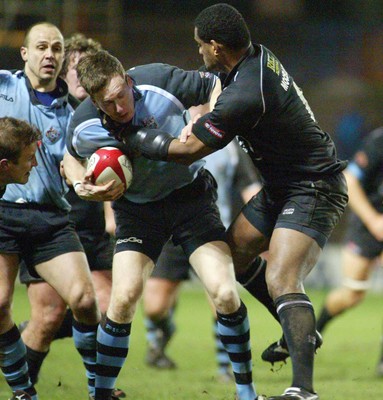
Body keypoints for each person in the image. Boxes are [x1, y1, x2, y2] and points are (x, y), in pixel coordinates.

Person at [119, 4, 349, 400]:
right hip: (281, 185)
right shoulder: (252, 58)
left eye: (200, 47)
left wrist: (135, 137)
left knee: (281, 279)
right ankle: (296, 327)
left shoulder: (246, 93)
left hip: (313, 186)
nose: (199, 54)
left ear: (216, 46)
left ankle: (303, 390)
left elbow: (188, 150)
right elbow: (209, 91)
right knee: (234, 255)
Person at [63, 50, 267, 400]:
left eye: (121, 96)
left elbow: (216, 84)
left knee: (224, 292)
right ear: (95, 102)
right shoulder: (84, 125)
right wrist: (84, 185)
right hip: (138, 211)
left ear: (128, 81)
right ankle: (102, 394)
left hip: (190, 198)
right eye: (107, 104)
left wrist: (205, 119)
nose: (119, 108)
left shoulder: (161, 80)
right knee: (124, 299)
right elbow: (71, 156)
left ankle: (246, 393)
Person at [16, 32, 126, 399]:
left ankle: (101, 389)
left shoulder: (109, 117)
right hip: (52, 224)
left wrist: (112, 212)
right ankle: (24, 387)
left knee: (107, 305)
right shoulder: (51, 109)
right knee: (47, 319)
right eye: (72, 67)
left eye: (85, 68)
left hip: (93, 230)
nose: (77, 74)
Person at [0, 23, 103, 400]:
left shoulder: (75, 112)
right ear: (24, 53)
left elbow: (72, 163)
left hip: (51, 218)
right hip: (3, 213)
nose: (50, 55)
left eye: (57, 48)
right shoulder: (4, 86)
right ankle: (24, 392)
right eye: (41, 47)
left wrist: (81, 184)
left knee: (85, 300)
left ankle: (99, 388)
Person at [143, 140, 261, 381]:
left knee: (222, 300)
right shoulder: (173, 135)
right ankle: (165, 331)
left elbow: (251, 190)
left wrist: (263, 231)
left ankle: (224, 369)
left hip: (212, 232)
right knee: (154, 308)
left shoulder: (229, 147)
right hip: (171, 234)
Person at [315, 126, 383, 377]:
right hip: (368, 223)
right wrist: (374, 220)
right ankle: (314, 332)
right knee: (352, 293)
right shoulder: (378, 142)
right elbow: (350, 180)